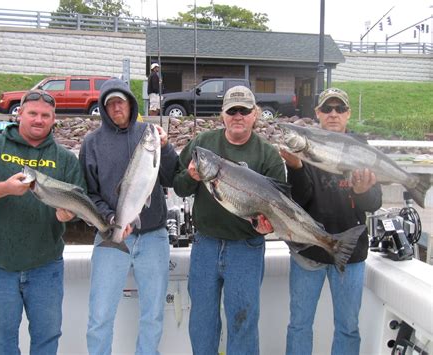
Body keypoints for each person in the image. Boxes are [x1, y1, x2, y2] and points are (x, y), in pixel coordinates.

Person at [0, 90, 84, 354]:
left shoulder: (65, 159)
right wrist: (2, 188)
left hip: (46, 267)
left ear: (53, 120)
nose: (38, 120)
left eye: (45, 115)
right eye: (33, 113)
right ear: (19, 115)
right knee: (2, 343)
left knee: (47, 340)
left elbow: (78, 200)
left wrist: (69, 214)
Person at [173, 86, 285, 355]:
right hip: (205, 246)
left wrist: (269, 225)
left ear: (254, 114)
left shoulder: (267, 154)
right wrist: (191, 177)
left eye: (244, 110)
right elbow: (178, 187)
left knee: (243, 321)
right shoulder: (203, 146)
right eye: (232, 110)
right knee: (202, 320)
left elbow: (279, 206)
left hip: (246, 248)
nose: (238, 115)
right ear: (222, 114)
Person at [281, 87, 383, 355]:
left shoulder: (361, 147)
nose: (333, 114)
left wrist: (362, 193)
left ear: (348, 114)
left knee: (348, 327)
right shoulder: (305, 144)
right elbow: (299, 201)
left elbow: (374, 204)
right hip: (309, 252)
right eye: (327, 109)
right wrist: (296, 168)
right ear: (317, 114)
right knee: (299, 325)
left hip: (351, 255)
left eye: (339, 109)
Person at [81, 77, 178, 355]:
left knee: (153, 315)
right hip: (111, 235)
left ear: (131, 103)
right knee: (99, 317)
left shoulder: (150, 133)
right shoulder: (92, 143)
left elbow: (172, 176)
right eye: (109, 104)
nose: (115, 108)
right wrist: (112, 219)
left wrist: (167, 147)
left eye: (119, 101)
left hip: (154, 237)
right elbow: (89, 193)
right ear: (102, 108)